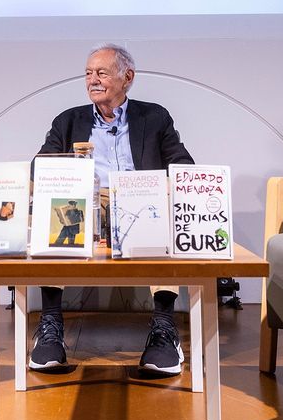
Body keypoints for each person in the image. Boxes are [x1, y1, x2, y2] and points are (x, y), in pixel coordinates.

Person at [31, 44, 195, 374]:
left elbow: (182, 165)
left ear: (127, 78)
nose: (93, 80)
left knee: (159, 213)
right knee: (58, 210)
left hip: (137, 203)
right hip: (86, 204)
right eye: (88, 73)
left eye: (102, 73)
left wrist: (157, 192)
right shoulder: (68, 121)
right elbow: (41, 167)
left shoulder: (154, 116)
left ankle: (164, 330)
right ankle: (50, 328)